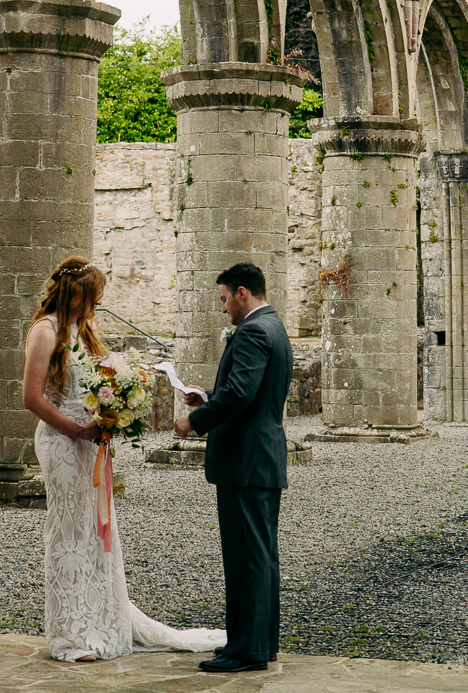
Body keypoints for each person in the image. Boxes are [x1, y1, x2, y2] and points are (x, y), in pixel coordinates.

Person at [22, 255, 228, 663]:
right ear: (75, 293)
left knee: (96, 532)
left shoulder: (81, 332)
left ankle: (98, 620)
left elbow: (96, 387)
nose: (96, 304)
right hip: (62, 444)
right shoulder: (45, 332)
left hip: (89, 440)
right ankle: (70, 634)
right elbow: (31, 398)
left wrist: (111, 413)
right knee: (68, 532)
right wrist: (77, 428)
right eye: (93, 296)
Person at [172, 261, 292, 674]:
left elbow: (241, 393)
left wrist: (195, 422)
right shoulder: (273, 325)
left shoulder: (254, 331)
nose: (223, 308)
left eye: (224, 298)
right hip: (259, 458)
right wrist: (207, 395)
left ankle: (246, 650)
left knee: (247, 559)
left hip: (247, 461)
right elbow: (249, 393)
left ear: (242, 292)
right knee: (260, 555)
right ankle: (260, 643)